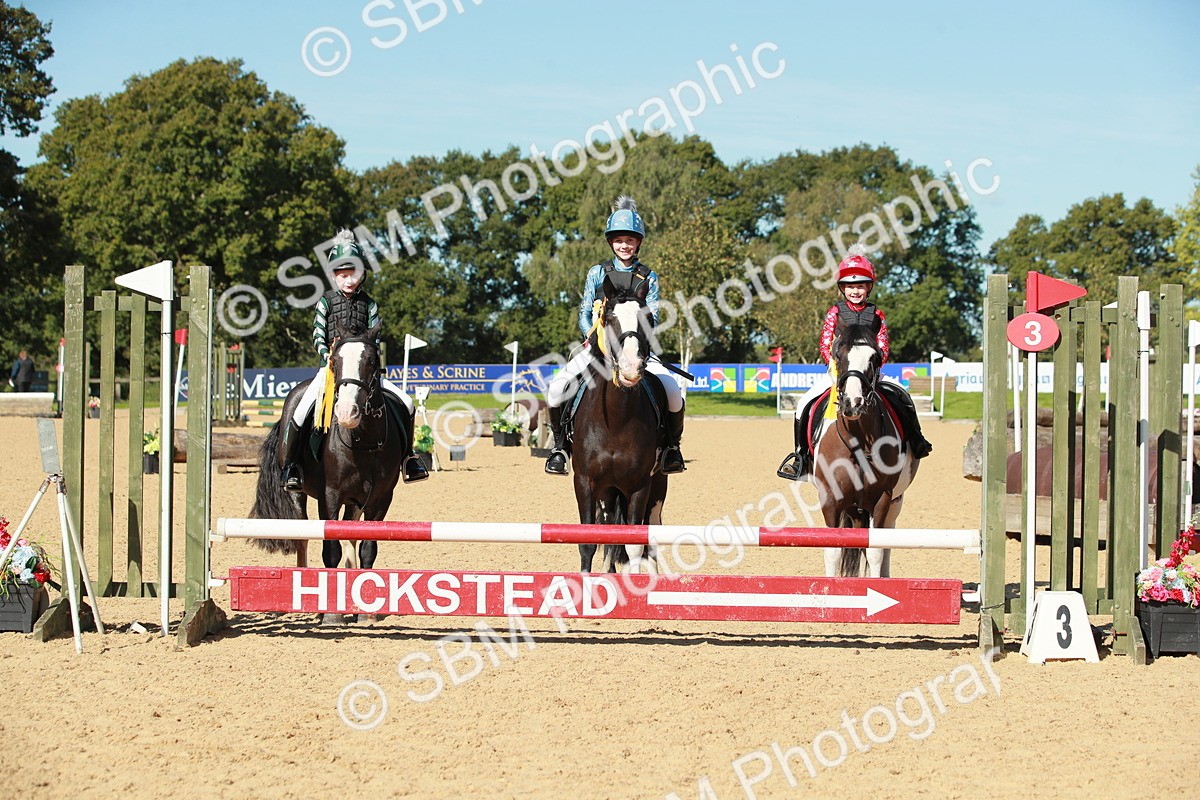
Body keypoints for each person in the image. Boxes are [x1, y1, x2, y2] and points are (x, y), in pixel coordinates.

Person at [543, 195, 686, 476]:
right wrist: (592, 337)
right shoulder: (598, 272)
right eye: (619, 240)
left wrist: (635, 345)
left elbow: (652, 316)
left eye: (630, 241)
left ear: (639, 243)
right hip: (599, 349)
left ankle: (671, 448)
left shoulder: (649, 276)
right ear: (611, 242)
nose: (625, 245)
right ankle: (559, 449)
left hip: (635, 348)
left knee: (672, 392)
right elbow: (585, 310)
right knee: (557, 388)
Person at [280, 229, 428, 491]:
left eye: (353, 274)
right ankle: (291, 465)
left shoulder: (369, 304)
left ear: (362, 274)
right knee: (301, 408)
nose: (348, 280)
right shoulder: (325, 302)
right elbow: (317, 333)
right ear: (334, 275)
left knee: (407, 402)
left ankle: (409, 458)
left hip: (363, 374)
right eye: (342, 274)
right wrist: (326, 353)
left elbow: (374, 337)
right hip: (332, 370)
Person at [776, 244, 932, 481]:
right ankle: (802, 457)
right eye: (850, 286)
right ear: (842, 288)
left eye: (860, 285)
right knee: (804, 404)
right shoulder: (834, 313)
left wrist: (873, 365)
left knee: (903, 396)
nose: (855, 290)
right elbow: (825, 342)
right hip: (839, 373)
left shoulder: (876, 315)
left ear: (868, 287)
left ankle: (916, 441)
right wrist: (836, 366)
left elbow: (883, 344)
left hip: (870, 374)